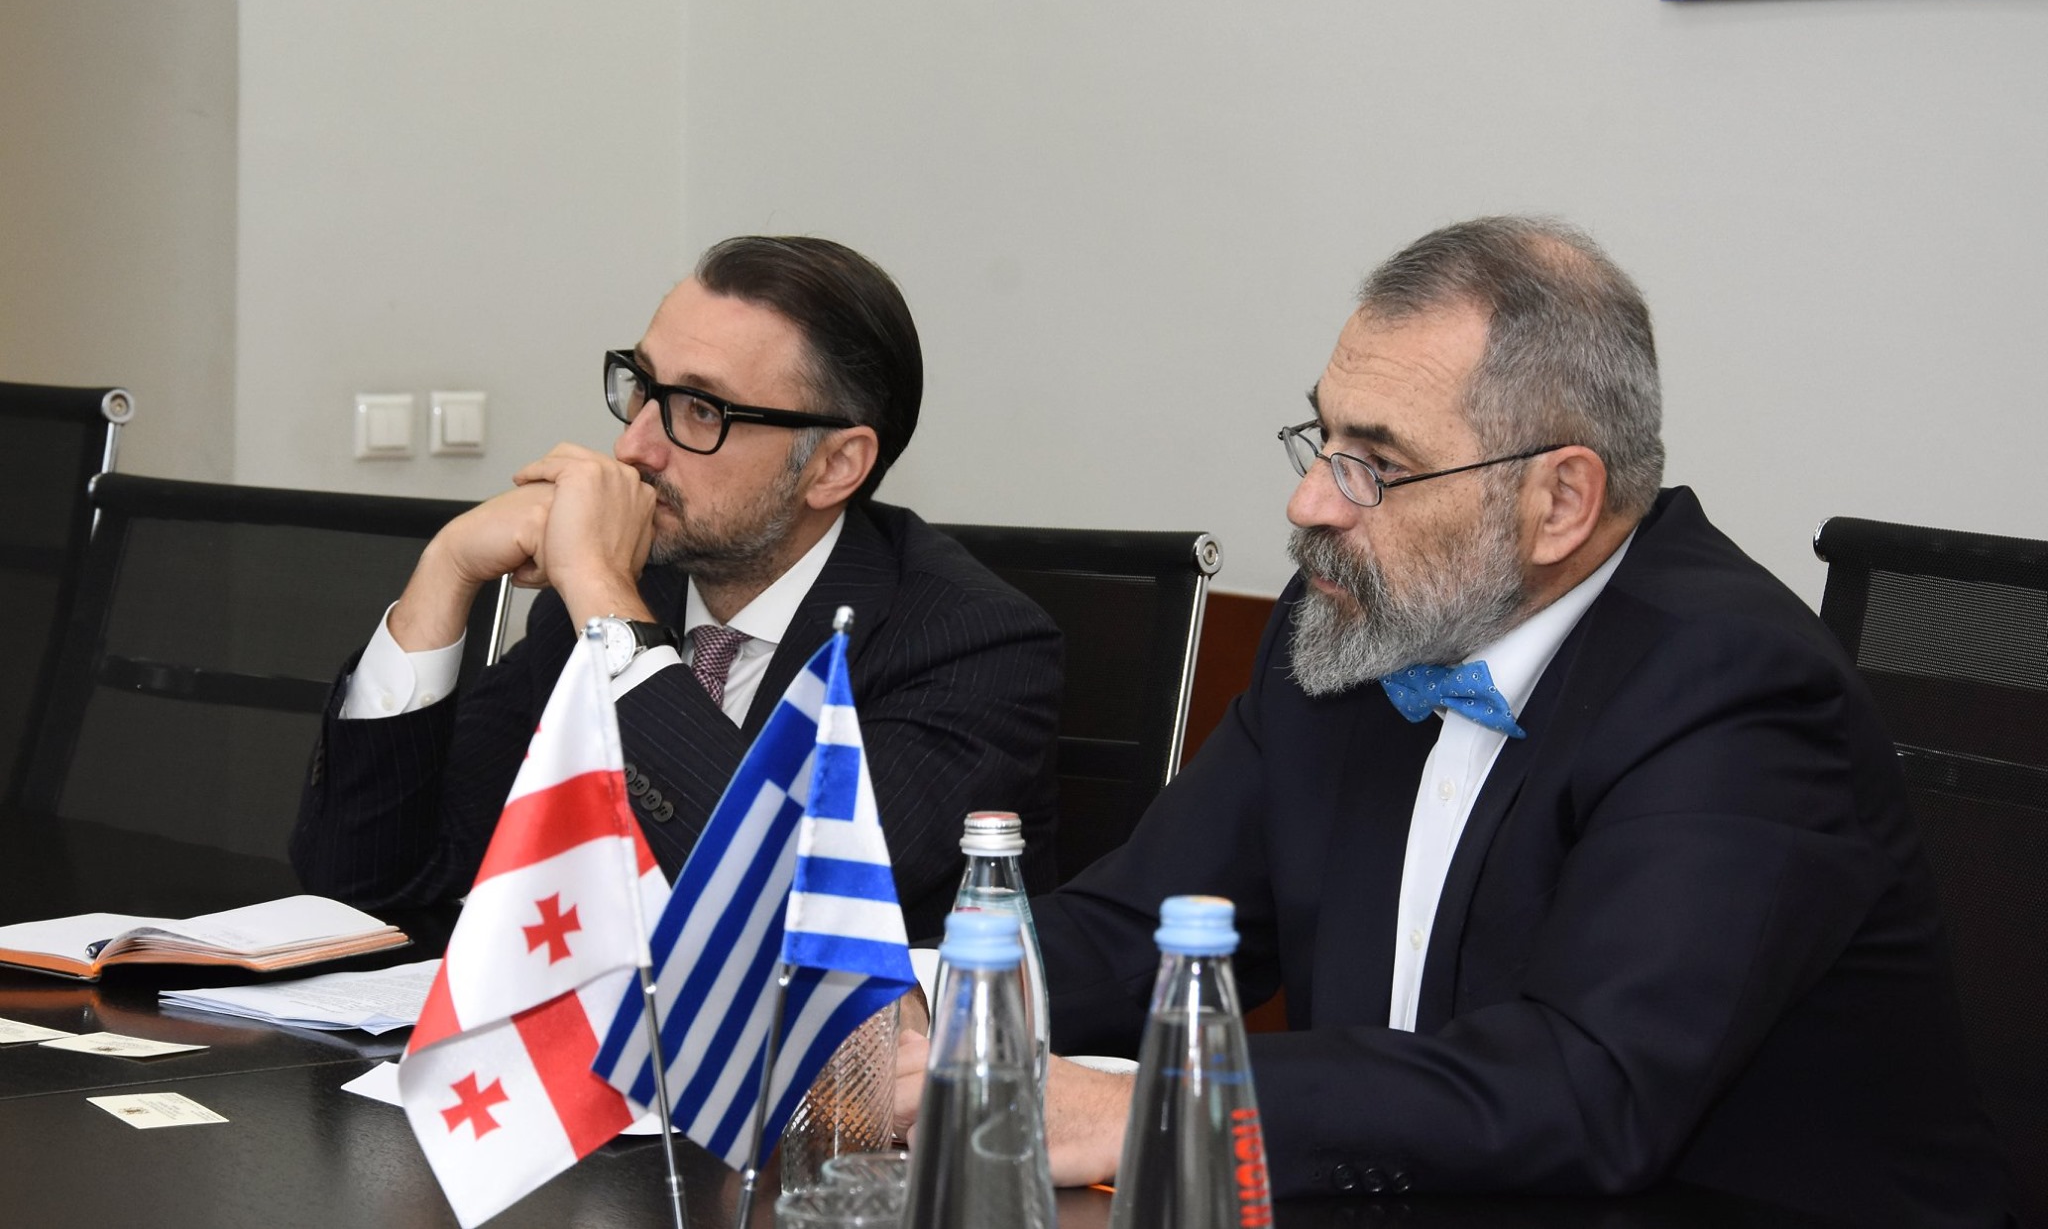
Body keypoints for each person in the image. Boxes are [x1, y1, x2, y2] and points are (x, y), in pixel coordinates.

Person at [896, 216, 2006, 1225]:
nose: (1309, 502)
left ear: (1559, 500)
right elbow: (1144, 922)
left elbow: (1585, 1086)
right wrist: (904, 1001)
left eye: (1376, 465)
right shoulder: (1356, 620)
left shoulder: (1733, 687)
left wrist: (1153, 1101)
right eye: (1322, 439)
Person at [291, 236, 1060, 940]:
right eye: (643, 385)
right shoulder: (620, 597)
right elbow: (364, 880)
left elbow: (781, 903)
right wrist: (446, 568)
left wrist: (603, 596)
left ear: (834, 466)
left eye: (701, 409)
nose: (634, 445)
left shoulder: (968, 646)